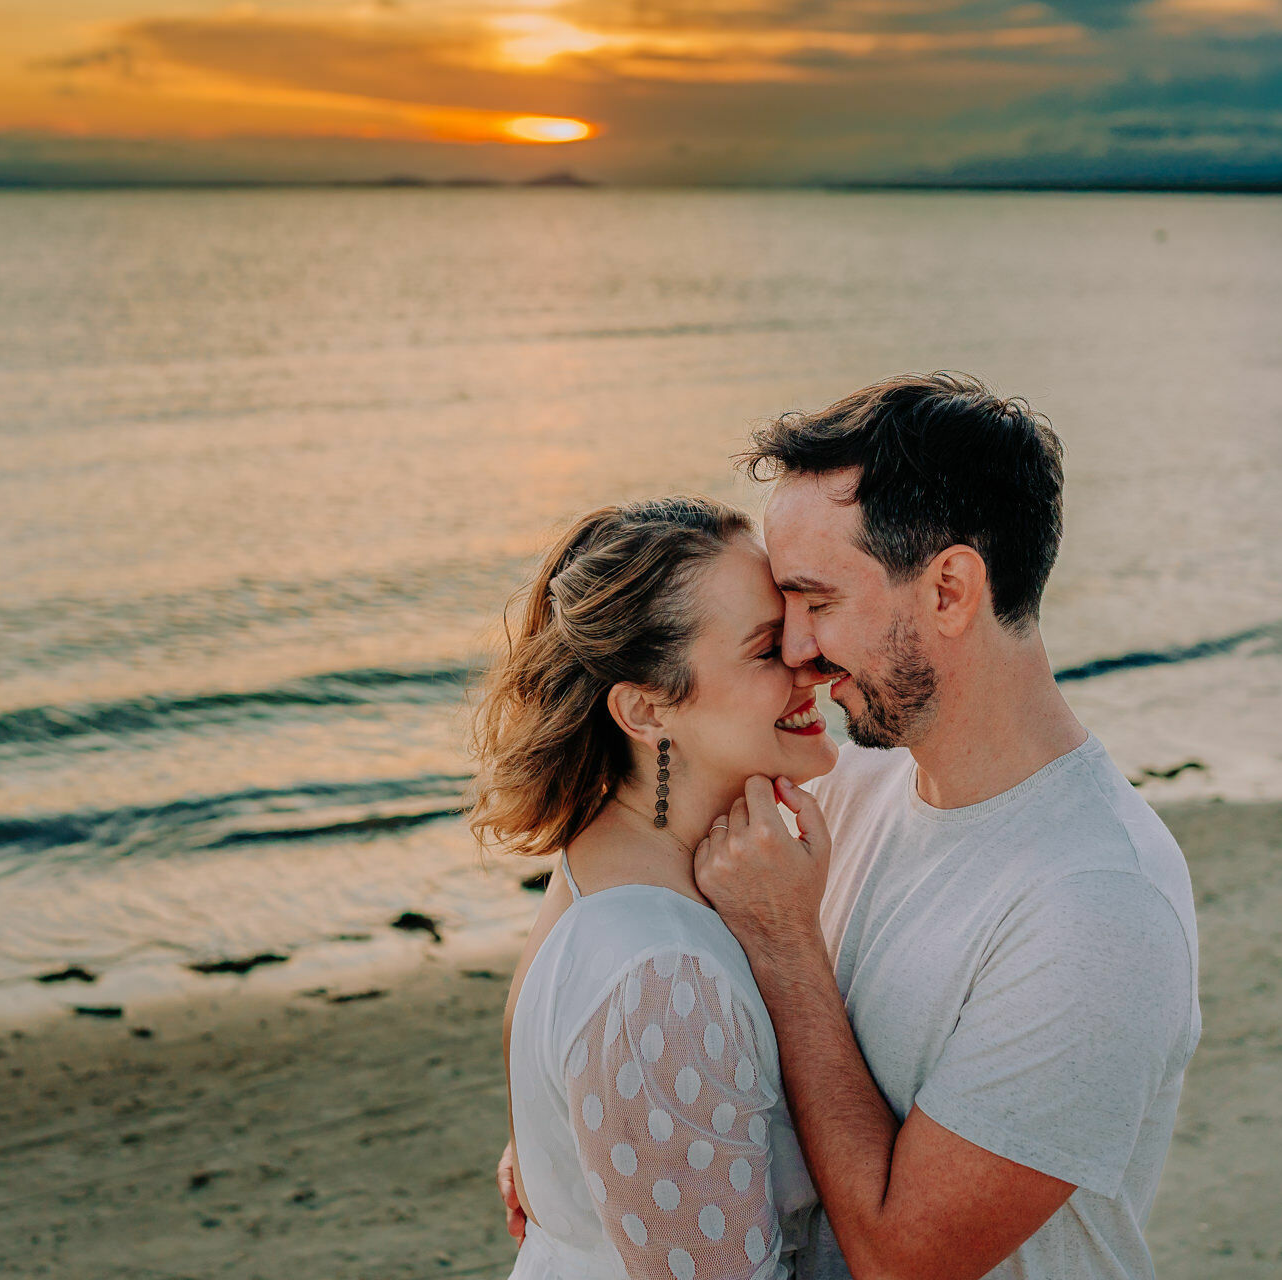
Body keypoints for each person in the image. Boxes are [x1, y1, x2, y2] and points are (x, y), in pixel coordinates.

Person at [692, 373, 1202, 1280]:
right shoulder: (853, 783)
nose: (797, 650)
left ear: (952, 589)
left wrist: (783, 944)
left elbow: (904, 1259)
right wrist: (562, 1127)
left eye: (818, 601)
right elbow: (614, 840)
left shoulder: (1097, 905)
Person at [471, 495, 841, 1280]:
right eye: (769, 647)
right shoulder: (658, 978)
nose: (813, 660)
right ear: (645, 709)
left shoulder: (599, 862)